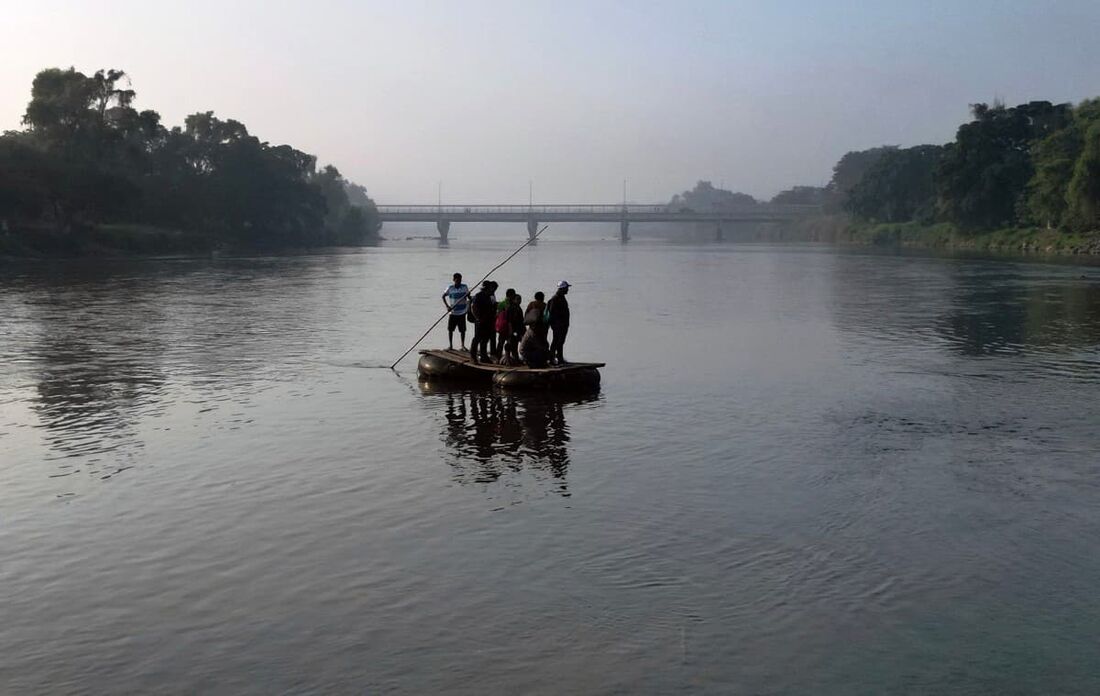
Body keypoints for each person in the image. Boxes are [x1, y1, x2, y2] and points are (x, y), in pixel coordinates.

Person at [468, 280, 498, 363]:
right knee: (477, 338)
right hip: (480, 321)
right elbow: (473, 307)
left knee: (485, 339)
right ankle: (473, 356)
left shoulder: (489, 296)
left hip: (488, 321)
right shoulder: (479, 296)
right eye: (491, 288)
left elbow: (492, 307)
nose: (492, 290)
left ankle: (484, 356)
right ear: (486, 288)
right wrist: (477, 318)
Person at [442, 273, 470, 350]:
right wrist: (447, 306)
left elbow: (468, 297)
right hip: (453, 312)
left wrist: (470, 297)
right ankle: (450, 345)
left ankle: (462, 345)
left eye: (460, 280)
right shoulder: (450, 288)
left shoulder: (464, 287)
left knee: (463, 330)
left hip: (462, 312)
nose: (459, 281)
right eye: (457, 280)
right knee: (450, 329)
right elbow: (443, 296)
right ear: (454, 280)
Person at [546, 280, 571, 365]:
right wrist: (556, 324)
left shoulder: (561, 297)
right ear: (562, 289)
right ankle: (551, 359)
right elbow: (552, 313)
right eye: (566, 288)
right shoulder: (555, 299)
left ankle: (560, 358)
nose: (568, 290)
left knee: (560, 342)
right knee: (556, 342)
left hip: (563, 325)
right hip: (558, 325)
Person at [493, 288, 517, 360]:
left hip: (502, 326)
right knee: (509, 343)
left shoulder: (501, 303)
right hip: (507, 326)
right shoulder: (510, 304)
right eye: (513, 295)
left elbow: (497, 316)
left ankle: (499, 358)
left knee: (501, 342)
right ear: (511, 295)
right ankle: (509, 358)